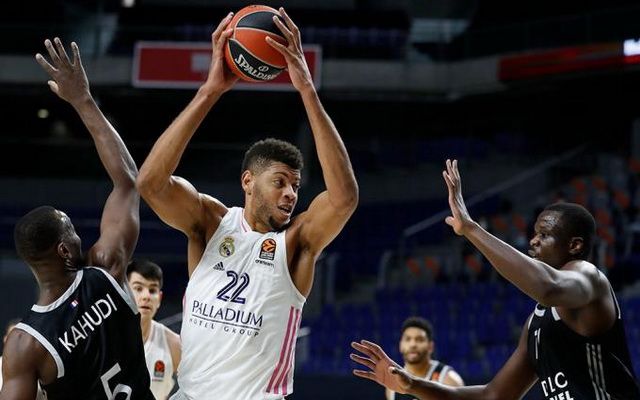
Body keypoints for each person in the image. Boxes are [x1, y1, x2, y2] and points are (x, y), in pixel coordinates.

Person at [136, 7, 358, 400]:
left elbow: (344, 199)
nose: (291, 194)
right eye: (280, 182)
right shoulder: (210, 222)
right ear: (248, 182)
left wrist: (307, 90)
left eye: (296, 186)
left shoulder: (296, 242)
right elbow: (150, 183)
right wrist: (210, 92)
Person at [351, 159, 640, 399]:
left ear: (574, 245)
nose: (533, 241)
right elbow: (494, 396)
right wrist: (412, 385)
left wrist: (471, 229)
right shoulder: (536, 323)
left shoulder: (589, 278)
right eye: (534, 233)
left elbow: (548, 287)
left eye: (544, 235)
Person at [0, 38, 153, 399]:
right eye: (71, 230)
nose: (79, 236)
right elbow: (128, 182)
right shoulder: (105, 269)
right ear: (64, 250)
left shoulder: (25, 344)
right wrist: (83, 100)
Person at [127, 259, 182, 400]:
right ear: (124, 291)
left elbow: (196, 386)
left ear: (160, 298)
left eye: (152, 290)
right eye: (138, 288)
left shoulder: (174, 344)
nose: (146, 296)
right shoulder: (106, 338)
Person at [386, 317, 463, 400]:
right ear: (400, 345)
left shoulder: (449, 380)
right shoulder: (393, 384)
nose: (413, 344)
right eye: (407, 339)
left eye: (419, 340)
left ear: (430, 346)